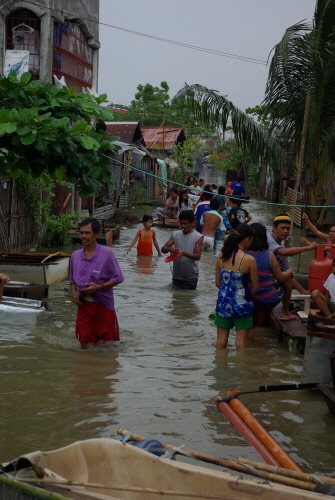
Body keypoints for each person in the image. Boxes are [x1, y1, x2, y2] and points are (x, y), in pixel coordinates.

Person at [70, 217, 124, 349]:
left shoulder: (107, 254)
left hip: (103, 305)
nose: (83, 236)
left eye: (87, 233)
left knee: (107, 345)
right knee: (85, 344)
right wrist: (73, 292)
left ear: (96, 234)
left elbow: (118, 278)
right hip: (84, 305)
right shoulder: (75, 256)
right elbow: (72, 278)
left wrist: (99, 287)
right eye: (81, 232)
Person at [214, 224, 259, 349]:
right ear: (247, 239)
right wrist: (248, 298)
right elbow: (256, 288)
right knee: (241, 344)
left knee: (220, 343)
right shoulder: (249, 260)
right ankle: (240, 367)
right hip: (242, 304)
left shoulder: (221, 256)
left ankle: (220, 366)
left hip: (223, 303)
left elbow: (218, 283)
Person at [245, 223, 294, 331]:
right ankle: (285, 313)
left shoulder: (241, 254)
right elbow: (281, 278)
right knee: (288, 280)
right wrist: (290, 272)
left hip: (246, 299)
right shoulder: (269, 255)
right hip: (266, 301)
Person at [267, 214, 317, 296]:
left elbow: (288, 272)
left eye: (288, 228)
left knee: (288, 279)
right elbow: (283, 252)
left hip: (272, 280)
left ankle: (285, 309)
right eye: (282, 228)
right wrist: (307, 248)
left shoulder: (282, 246)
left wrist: (303, 291)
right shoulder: (269, 239)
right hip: (263, 281)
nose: (286, 231)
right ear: (274, 228)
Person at [161, 210, 203, 290]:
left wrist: (184, 253)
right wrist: (169, 249)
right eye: (181, 223)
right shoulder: (175, 234)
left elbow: (198, 256)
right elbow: (163, 249)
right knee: (176, 300)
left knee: (186, 299)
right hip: (177, 275)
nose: (183, 226)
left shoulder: (198, 237)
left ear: (192, 223)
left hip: (191, 276)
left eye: (186, 223)